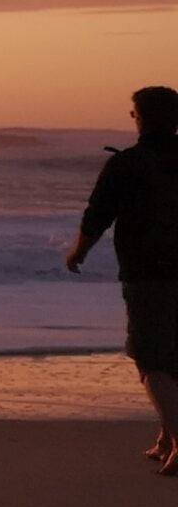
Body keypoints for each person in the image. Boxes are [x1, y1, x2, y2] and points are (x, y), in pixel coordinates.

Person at [67, 85, 178, 470]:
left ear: (139, 117)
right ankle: (167, 439)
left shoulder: (127, 164)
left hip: (149, 272)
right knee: (174, 357)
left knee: (150, 359)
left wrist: (78, 252)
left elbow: (97, 215)